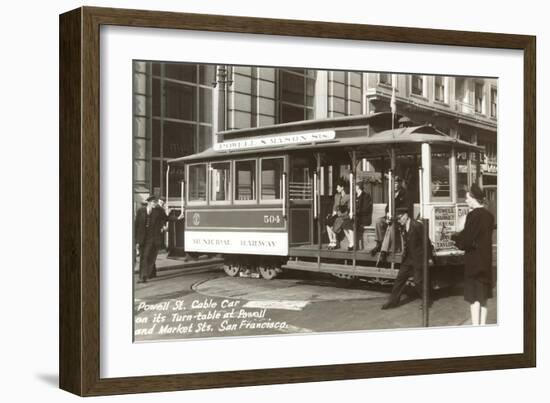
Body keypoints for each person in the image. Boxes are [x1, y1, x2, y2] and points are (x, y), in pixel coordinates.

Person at [451, 184, 495, 326]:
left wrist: (454, 237)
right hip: (486, 261)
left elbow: (466, 241)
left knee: (474, 297)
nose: (466, 200)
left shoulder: (472, 216)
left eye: (467, 198)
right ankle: (483, 326)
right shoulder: (489, 216)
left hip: (474, 262)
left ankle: (475, 327)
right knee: (483, 297)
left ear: (474, 198)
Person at [381, 207, 426, 309]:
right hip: (407, 259)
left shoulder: (417, 225)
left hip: (418, 258)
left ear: (406, 216)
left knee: (418, 282)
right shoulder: (402, 226)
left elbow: (425, 242)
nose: (399, 221)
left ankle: (426, 300)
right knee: (399, 280)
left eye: (400, 218)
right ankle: (392, 302)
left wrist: (428, 258)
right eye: (398, 219)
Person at [371, 176, 412, 262]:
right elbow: (387, 207)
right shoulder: (392, 193)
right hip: (391, 217)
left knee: (391, 225)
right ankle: (379, 243)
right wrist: (387, 214)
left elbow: (406, 208)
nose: (396, 185)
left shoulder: (405, 194)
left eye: (397, 183)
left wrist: (393, 216)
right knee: (379, 221)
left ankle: (383, 251)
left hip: (400, 218)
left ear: (400, 184)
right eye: (394, 183)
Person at [134, 196, 168, 283]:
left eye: (155, 202)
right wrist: (135, 240)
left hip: (152, 239)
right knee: (143, 258)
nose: (155, 204)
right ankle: (146, 274)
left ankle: (143, 277)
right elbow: (136, 226)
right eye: (153, 202)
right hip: (142, 239)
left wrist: (177, 218)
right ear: (149, 202)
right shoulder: (140, 211)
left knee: (146, 256)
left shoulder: (157, 212)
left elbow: (166, 218)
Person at [326, 180, 350, 250]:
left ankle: (336, 242)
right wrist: (333, 213)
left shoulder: (348, 196)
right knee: (328, 222)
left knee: (335, 222)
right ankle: (332, 241)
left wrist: (339, 213)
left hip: (344, 216)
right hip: (337, 215)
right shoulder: (337, 196)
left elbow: (348, 209)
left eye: (337, 187)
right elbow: (334, 207)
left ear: (342, 187)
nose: (336, 189)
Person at [355, 181, 373, 249]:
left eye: (355, 186)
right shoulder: (355, 196)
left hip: (364, 218)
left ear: (358, 187)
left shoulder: (366, 196)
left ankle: (356, 244)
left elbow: (365, 209)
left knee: (352, 222)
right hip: (358, 217)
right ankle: (353, 243)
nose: (354, 187)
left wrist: (356, 212)